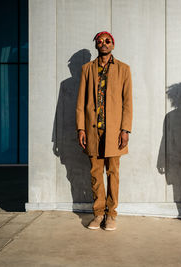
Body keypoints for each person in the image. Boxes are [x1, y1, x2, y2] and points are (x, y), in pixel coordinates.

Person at [76, 31, 133, 231]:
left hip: (114, 132)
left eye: (107, 41)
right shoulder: (87, 69)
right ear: (96, 46)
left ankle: (111, 215)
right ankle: (98, 214)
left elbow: (128, 103)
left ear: (113, 44)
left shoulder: (123, 69)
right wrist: (81, 128)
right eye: (99, 41)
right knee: (95, 173)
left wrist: (125, 130)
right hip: (93, 130)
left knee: (113, 172)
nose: (103, 44)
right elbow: (81, 102)